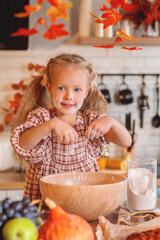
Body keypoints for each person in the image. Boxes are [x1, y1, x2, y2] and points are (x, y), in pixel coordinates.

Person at [11, 53, 131, 200]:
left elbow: (126, 142)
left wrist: (111, 121)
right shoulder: (42, 118)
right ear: (50, 88)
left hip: (84, 202)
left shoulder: (90, 121)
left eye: (77, 89)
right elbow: (23, 144)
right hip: (47, 204)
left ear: (86, 92)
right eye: (61, 88)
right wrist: (51, 125)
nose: (69, 96)